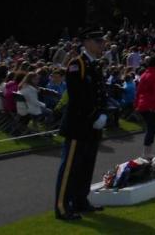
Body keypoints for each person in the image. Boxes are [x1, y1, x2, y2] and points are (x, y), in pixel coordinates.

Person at [54, 27, 108, 221]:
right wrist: (95, 116)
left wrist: (103, 114)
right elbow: (78, 97)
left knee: (86, 165)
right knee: (70, 167)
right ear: (86, 43)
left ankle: (80, 200)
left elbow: (100, 94)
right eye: (97, 41)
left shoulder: (95, 65)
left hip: (92, 126)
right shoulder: (77, 65)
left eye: (102, 41)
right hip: (79, 125)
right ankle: (62, 206)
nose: (102, 44)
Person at [135, 55, 155, 157]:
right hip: (151, 105)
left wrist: (137, 104)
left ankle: (147, 152)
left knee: (150, 128)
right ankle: (147, 153)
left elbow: (138, 90)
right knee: (151, 129)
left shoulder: (144, 74)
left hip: (142, 104)